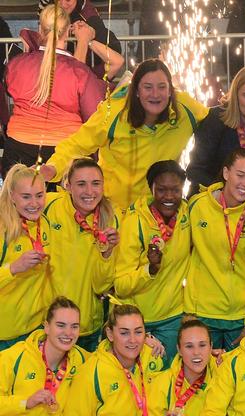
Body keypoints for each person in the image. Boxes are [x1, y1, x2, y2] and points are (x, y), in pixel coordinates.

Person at [41, 58, 209, 210]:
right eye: (148, 87)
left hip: (158, 212)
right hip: (116, 211)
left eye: (162, 87)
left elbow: (215, 119)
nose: (155, 94)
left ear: (171, 90)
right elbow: (77, 144)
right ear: (136, 90)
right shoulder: (113, 112)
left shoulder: (184, 108)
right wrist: (53, 167)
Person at [60, 304, 168, 416]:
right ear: (110, 334)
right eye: (124, 333)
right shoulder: (91, 372)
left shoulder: (152, 357)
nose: (133, 340)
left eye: (138, 332)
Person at [1, 5, 106, 176]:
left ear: (40, 29)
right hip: (64, 152)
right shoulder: (79, 71)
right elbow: (94, 113)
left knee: (17, 202)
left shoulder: (18, 63)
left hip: (18, 146)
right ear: (67, 32)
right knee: (61, 203)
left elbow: (9, 88)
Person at [185, 148, 245, 351]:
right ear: (226, 173)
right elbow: (184, 258)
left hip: (240, 318)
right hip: (202, 311)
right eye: (240, 175)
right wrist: (189, 311)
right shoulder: (198, 206)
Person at [0, 297, 86, 416]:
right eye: (61, 325)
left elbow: (109, 357)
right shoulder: (14, 358)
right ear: (46, 326)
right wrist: (25, 402)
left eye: (74, 326)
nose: (68, 333)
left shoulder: (80, 360)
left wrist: (145, 342)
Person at [115, 160, 190, 365]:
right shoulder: (134, 222)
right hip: (137, 323)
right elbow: (120, 286)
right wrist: (151, 269)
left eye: (175, 190)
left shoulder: (187, 214)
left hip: (173, 319)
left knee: (167, 384)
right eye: (162, 190)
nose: (168, 197)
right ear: (151, 189)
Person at [44, 158, 119, 351]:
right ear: (67, 185)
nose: (89, 192)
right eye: (81, 184)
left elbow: (102, 286)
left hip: (85, 327)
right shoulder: (47, 206)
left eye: (95, 184)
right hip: (47, 322)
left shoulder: (111, 219)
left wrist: (107, 253)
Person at [0, 164, 52, 350]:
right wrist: (13, 268)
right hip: (5, 336)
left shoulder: (44, 223)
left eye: (39, 195)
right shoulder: (3, 229)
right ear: (12, 196)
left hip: (35, 329)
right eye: (26, 197)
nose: (34, 203)